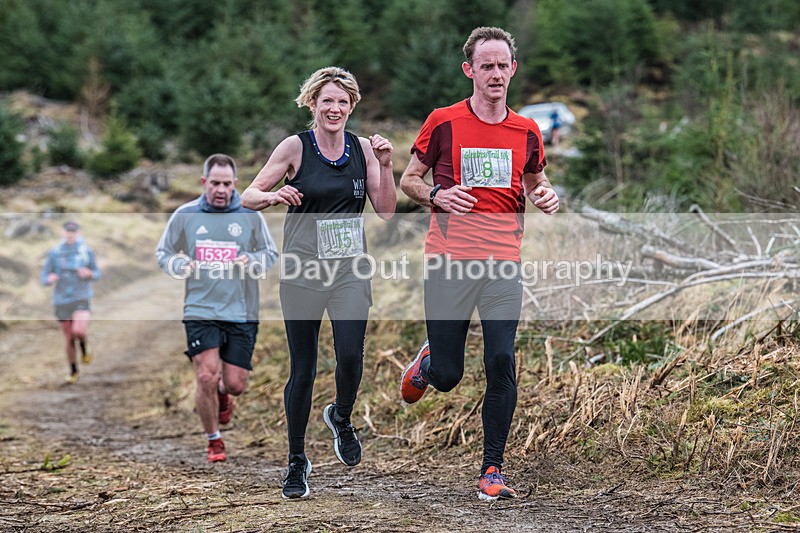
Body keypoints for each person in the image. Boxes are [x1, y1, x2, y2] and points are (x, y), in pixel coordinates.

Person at [397, 27, 559, 501]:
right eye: (484, 65)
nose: (494, 73)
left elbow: (536, 182)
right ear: (470, 70)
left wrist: (546, 195)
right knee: (450, 377)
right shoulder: (443, 122)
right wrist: (436, 194)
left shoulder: (527, 130)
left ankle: (492, 469)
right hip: (449, 262)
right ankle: (431, 362)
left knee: (502, 359)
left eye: (501, 65)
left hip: (503, 263)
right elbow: (409, 179)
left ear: (513, 69)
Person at [242, 66, 396, 499]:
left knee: (350, 357)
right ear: (313, 103)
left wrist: (385, 166)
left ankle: (341, 416)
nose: (335, 108)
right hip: (303, 272)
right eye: (327, 100)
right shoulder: (295, 147)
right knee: (303, 369)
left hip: (348, 271)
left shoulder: (363, 148)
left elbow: (385, 209)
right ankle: (296, 461)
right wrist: (274, 195)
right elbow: (247, 196)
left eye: (343, 102)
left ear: (352, 107)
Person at [156, 153, 278, 463]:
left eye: (226, 184)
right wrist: (180, 264)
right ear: (204, 183)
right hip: (200, 309)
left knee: (234, 385)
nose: (221, 190)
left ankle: (224, 394)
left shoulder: (250, 215)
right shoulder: (186, 214)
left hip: (241, 311)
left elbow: (271, 254)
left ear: (235, 184)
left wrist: (251, 260)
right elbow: (164, 253)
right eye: (215, 183)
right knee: (206, 376)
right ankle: (214, 440)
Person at [41, 220, 101, 383]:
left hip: (81, 296)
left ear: (78, 233)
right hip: (61, 300)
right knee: (68, 338)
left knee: (79, 331)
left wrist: (89, 274)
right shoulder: (54, 253)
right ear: (62, 232)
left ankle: (84, 346)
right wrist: (49, 278)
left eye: (73, 231)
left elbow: (97, 273)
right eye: (67, 231)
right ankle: (73, 370)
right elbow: (44, 276)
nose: (70, 234)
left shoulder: (87, 251)